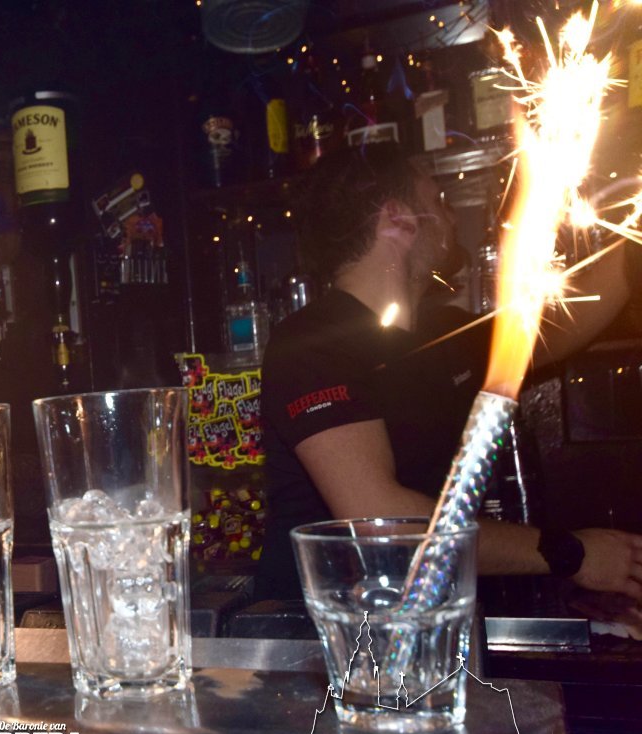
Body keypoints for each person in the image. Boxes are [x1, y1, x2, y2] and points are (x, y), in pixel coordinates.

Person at [258, 142, 642, 603]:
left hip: (414, 617)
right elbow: (379, 518)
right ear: (398, 219)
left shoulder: (445, 335)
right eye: (438, 200)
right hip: (314, 628)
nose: (452, 217)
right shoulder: (310, 344)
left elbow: (558, 327)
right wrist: (570, 554)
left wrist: (631, 248)